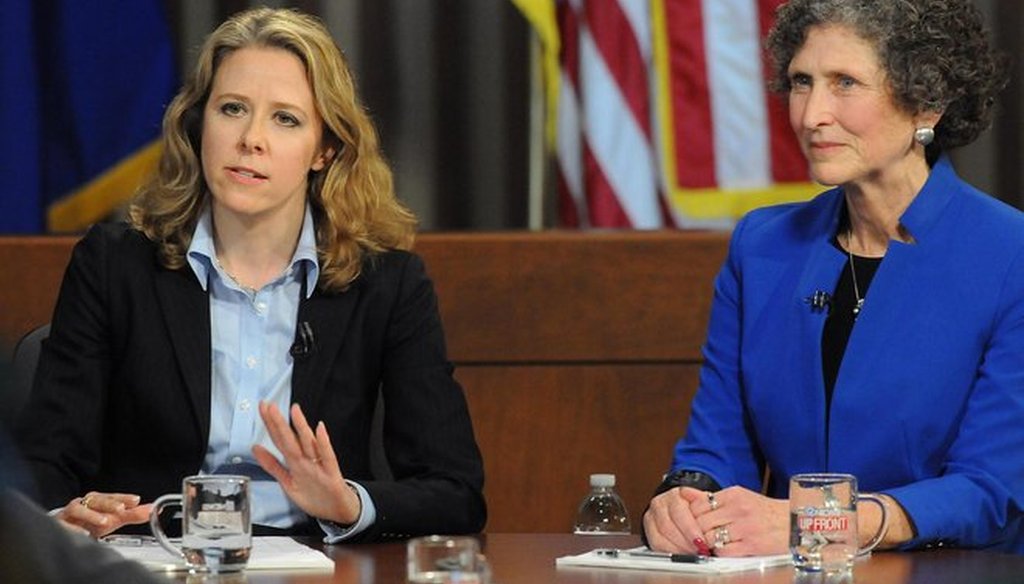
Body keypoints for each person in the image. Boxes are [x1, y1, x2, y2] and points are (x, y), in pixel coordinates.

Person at [15, 7, 485, 542]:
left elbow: (456, 492)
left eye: (285, 118)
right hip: (151, 558)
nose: (251, 139)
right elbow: (41, 464)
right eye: (233, 109)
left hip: (313, 565)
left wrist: (347, 503)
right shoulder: (114, 266)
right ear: (199, 124)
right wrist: (63, 517)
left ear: (325, 150)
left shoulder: (387, 285)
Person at [643, 0, 1023, 555]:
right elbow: (717, 447)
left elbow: (989, 490)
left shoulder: (1009, 253)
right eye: (802, 82)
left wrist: (821, 520)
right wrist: (685, 499)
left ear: (927, 103)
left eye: (845, 82)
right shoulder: (761, 246)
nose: (811, 113)